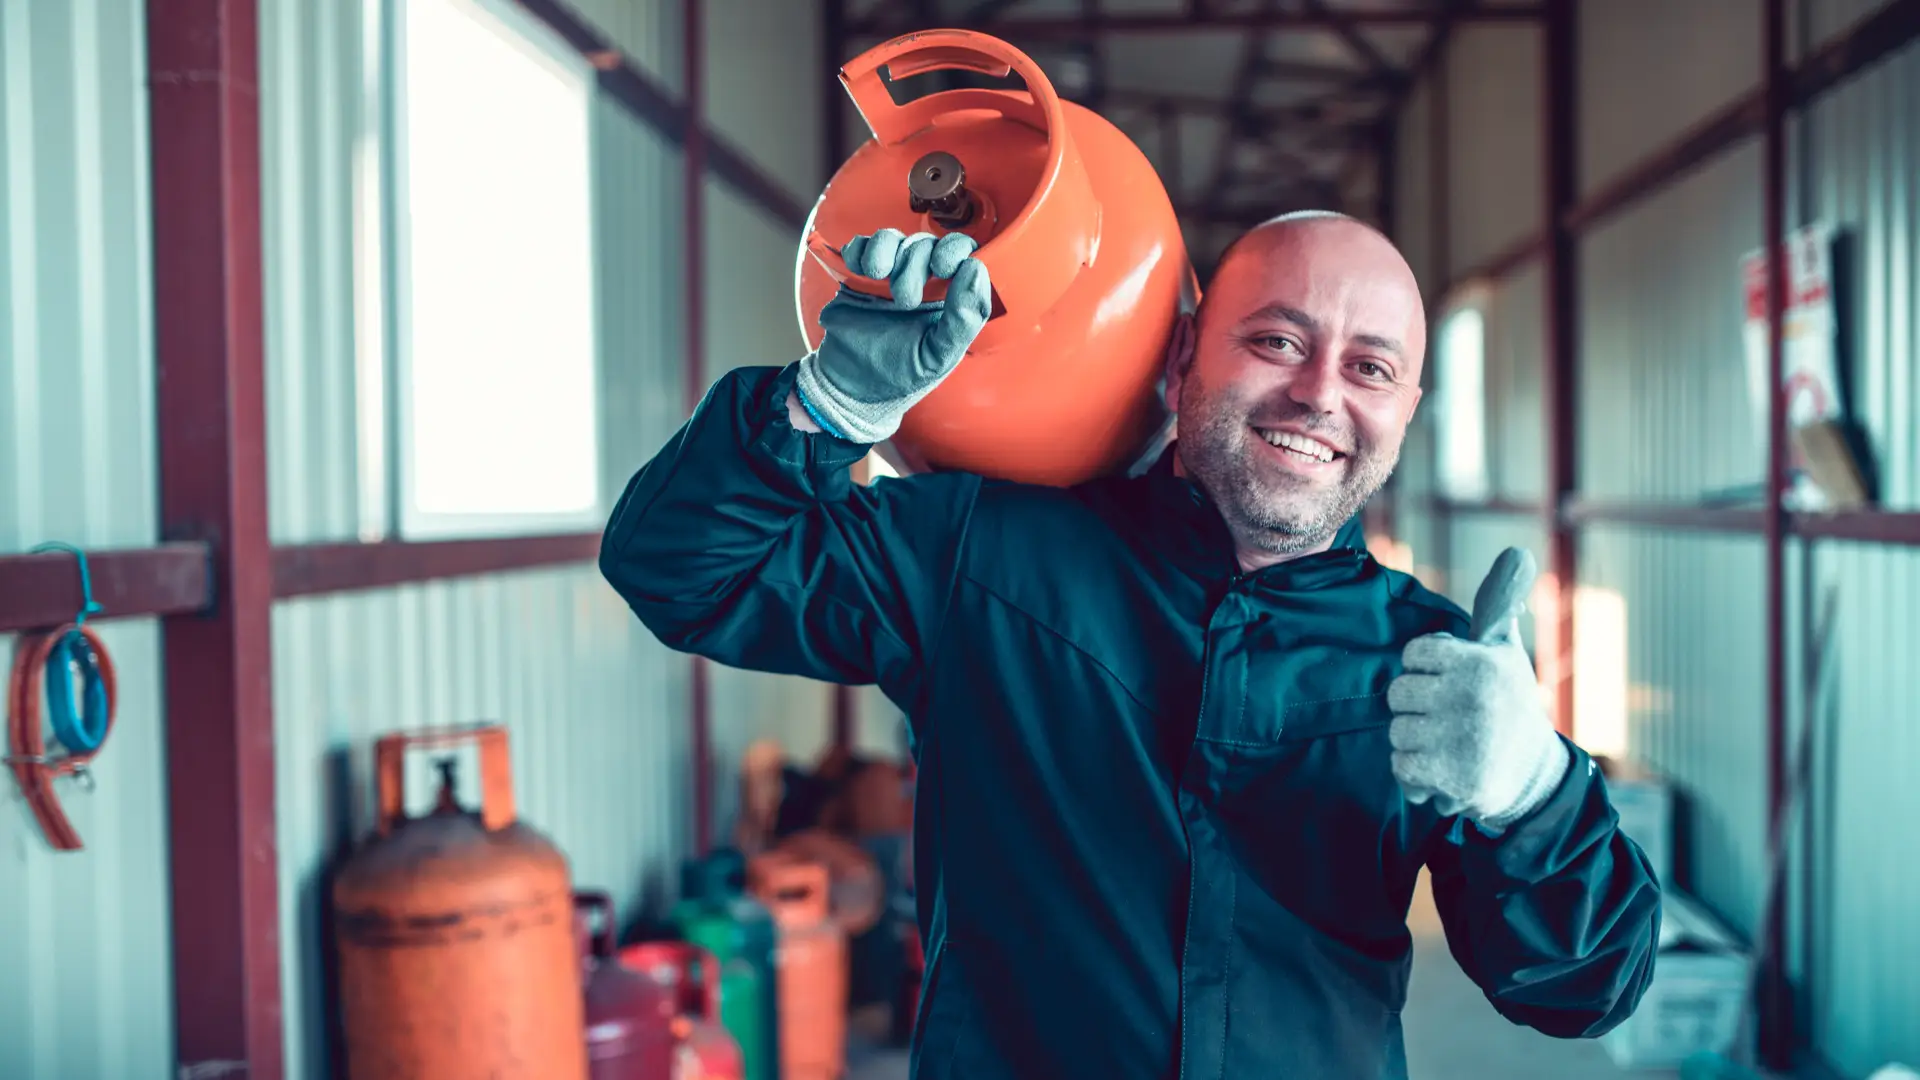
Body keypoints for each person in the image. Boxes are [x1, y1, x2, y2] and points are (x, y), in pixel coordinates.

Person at [600, 212, 1661, 1079]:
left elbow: (1582, 990)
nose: (1320, 391)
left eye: (1370, 367)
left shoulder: (1437, 672)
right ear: (1182, 359)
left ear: (1406, 411)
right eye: (1278, 339)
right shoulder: (984, 555)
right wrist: (827, 405)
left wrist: (1535, 797)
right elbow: (681, 572)